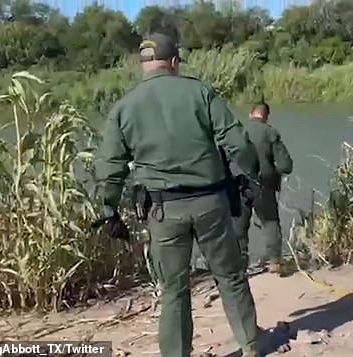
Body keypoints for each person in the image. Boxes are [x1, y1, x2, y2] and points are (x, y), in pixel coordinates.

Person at [94, 32, 261, 357]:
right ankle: (251, 346)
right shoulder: (199, 91)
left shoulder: (124, 107)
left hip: (162, 211)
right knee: (230, 277)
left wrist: (108, 210)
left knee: (173, 290)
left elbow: (110, 165)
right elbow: (236, 140)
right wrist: (252, 176)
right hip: (211, 204)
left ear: (143, 64)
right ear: (174, 62)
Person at [234, 102, 293, 275]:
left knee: (238, 226)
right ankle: (274, 261)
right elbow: (286, 165)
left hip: (239, 185)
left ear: (251, 113)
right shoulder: (270, 132)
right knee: (270, 223)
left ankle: (240, 265)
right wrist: (272, 173)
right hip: (264, 186)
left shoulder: (238, 131)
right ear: (266, 116)